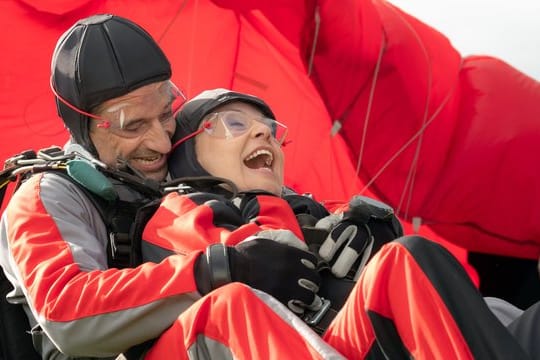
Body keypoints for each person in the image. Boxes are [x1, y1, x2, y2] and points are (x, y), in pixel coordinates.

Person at [0, 13, 535, 360]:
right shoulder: (48, 196)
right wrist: (216, 269)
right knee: (231, 307)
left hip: (288, 336)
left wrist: (348, 230)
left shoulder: (187, 181)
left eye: (166, 116)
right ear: (83, 127)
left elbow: (266, 219)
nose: (160, 142)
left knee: (407, 261)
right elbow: (64, 311)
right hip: (152, 344)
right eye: (131, 126)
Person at [141, 88, 534, 359]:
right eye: (234, 124)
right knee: (406, 261)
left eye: (270, 129)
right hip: (303, 344)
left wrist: (375, 233)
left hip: (361, 337)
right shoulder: (180, 211)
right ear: (188, 153)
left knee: (505, 313)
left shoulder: (313, 208)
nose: (264, 132)